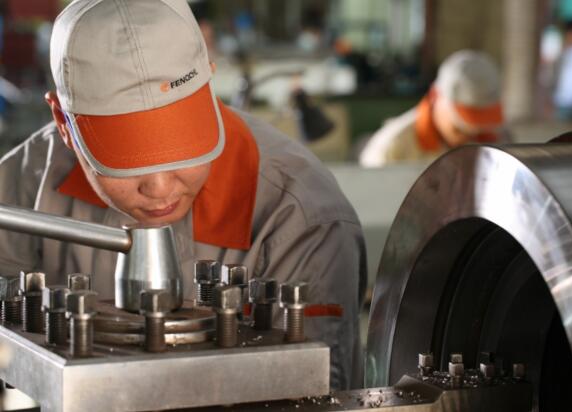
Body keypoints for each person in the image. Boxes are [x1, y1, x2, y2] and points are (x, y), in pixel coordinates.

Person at [0, 0, 366, 390]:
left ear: (208, 87)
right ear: (64, 124)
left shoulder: (301, 215)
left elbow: (314, 393)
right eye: (125, 158)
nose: (159, 188)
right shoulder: (24, 184)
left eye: (181, 146)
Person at [359, 50, 507, 167]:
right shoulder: (391, 149)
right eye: (459, 129)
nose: (471, 135)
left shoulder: (496, 138)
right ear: (435, 95)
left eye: (479, 126)